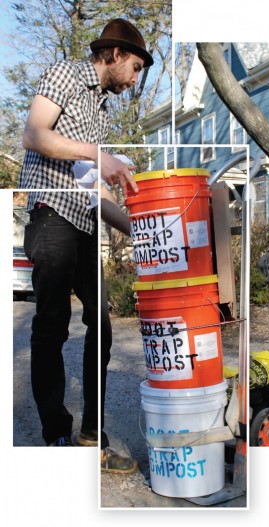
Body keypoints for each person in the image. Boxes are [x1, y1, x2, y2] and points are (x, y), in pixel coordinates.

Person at [18, 17, 153, 460]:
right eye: (134, 68)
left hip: (85, 224)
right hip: (52, 215)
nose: (135, 80)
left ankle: (93, 436)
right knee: (52, 327)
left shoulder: (101, 110)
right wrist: (99, 154)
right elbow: (34, 134)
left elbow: (95, 190)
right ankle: (56, 433)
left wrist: (142, 230)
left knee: (102, 325)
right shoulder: (65, 74)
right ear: (113, 54)